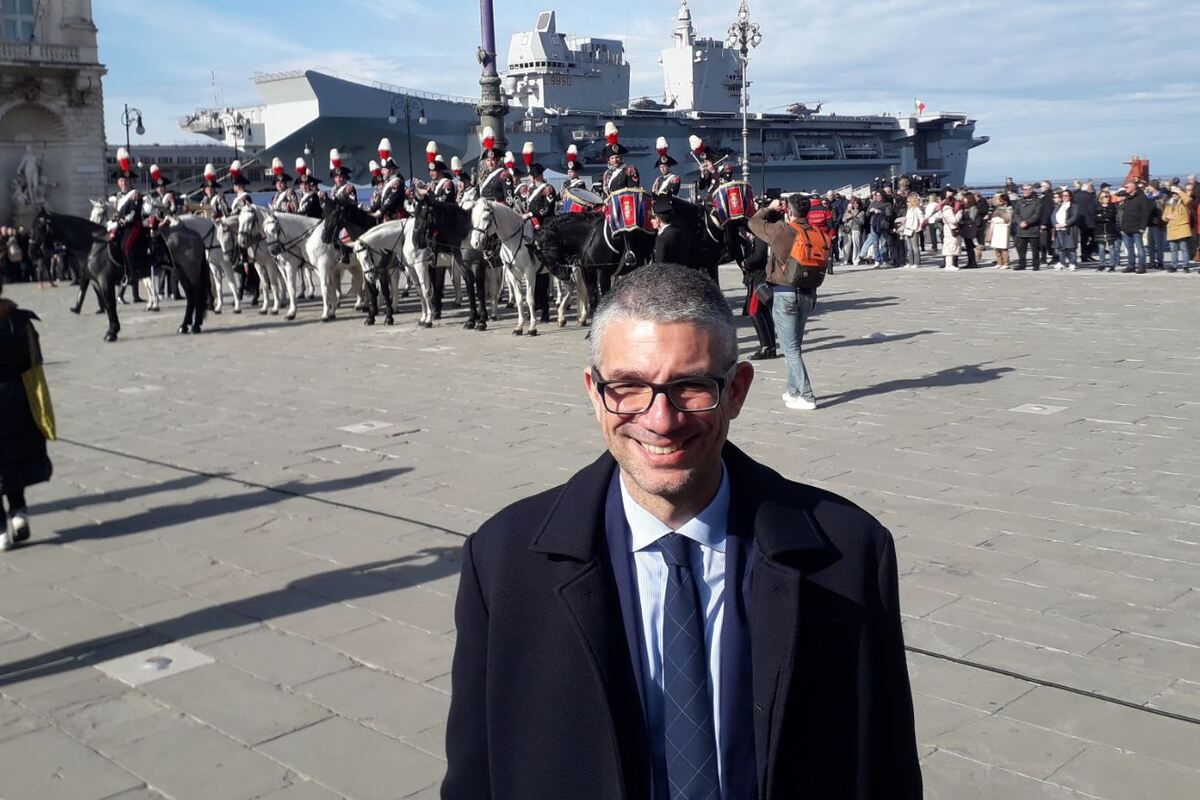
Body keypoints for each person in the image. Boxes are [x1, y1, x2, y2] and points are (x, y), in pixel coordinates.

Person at [443, 264, 921, 799]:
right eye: (627, 387)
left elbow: (887, 764)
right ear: (594, 392)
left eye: (691, 387)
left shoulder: (848, 551)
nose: (661, 420)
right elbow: (475, 770)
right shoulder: (505, 560)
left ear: (737, 390)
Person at [749, 194, 821, 410]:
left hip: (785, 293)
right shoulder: (814, 230)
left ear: (788, 211)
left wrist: (769, 209)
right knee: (794, 346)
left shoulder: (783, 230)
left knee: (790, 349)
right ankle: (793, 390)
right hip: (809, 293)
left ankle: (807, 395)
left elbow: (753, 223)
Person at [0, 282, 53, 551]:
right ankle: (19, 511)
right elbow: (36, 362)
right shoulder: (20, 321)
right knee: (15, 458)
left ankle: (1, 531)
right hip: (18, 398)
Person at [1116, 180, 1151, 273]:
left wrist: (1142, 227)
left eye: (1127, 187)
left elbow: (1145, 213)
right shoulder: (1127, 198)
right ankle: (1131, 265)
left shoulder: (1142, 197)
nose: (1125, 188)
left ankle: (1142, 266)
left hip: (1137, 228)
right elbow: (1124, 213)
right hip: (1127, 227)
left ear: (1133, 187)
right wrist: (1122, 227)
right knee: (1129, 248)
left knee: (1140, 247)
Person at [601, 122, 638, 195]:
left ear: (621, 157)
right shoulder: (607, 174)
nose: (615, 160)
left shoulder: (630, 170)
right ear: (609, 160)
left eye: (617, 157)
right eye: (612, 158)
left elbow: (633, 192)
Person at [651, 196, 689, 268]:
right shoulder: (680, 233)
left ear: (658, 220)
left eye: (653, 218)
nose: (651, 221)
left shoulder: (661, 239)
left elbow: (659, 265)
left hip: (667, 276)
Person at [1163, 184, 1193, 272]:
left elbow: (1188, 200)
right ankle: (1174, 266)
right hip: (1172, 228)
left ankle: (1185, 265)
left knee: (1184, 248)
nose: (1174, 195)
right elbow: (1163, 216)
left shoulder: (1184, 202)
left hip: (1182, 228)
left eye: (1175, 194)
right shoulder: (1169, 203)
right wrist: (1167, 217)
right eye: (1173, 194)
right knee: (1173, 249)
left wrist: (1179, 191)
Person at [1012, 184, 1042, 271]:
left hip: (1033, 229)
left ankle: (1036, 265)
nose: (1024, 191)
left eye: (1026, 189)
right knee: (1021, 249)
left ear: (1031, 190)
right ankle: (1022, 264)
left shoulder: (1037, 201)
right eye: (1023, 190)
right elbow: (1016, 213)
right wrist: (1020, 222)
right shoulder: (1020, 201)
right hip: (1021, 229)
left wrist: (1027, 222)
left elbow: (1037, 215)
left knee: (1035, 249)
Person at [1053, 188, 1080, 270]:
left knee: (1070, 247)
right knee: (1061, 247)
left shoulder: (1074, 206)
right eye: (1063, 195)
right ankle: (1062, 262)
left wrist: (1065, 223)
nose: (1064, 197)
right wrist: (1055, 224)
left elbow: (1074, 217)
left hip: (1069, 229)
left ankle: (1072, 263)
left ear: (1070, 196)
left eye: (1066, 195)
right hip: (1059, 229)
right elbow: (1053, 215)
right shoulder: (1059, 205)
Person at [1094, 189, 1119, 272]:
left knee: (1112, 248)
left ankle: (1112, 265)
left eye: (1108, 197)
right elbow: (1095, 218)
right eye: (1105, 197)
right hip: (1100, 230)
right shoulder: (1097, 207)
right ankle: (1102, 264)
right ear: (1101, 198)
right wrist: (1103, 217)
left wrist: (1103, 217)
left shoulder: (1112, 206)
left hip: (1110, 229)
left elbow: (1111, 216)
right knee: (1101, 248)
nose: (1107, 198)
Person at [1144, 181, 1168, 270]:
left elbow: (1165, 208)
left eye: (1149, 186)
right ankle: (1152, 261)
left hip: (1159, 223)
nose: (1148, 188)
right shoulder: (1148, 196)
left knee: (1159, 244)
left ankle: (1160, 262)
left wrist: (1161, 219)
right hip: (1150, 223)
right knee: (1150, 244)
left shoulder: (1163, 196)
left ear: (1154, 187)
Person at [938, 191, 963, 270]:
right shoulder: (948, 209)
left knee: (951, 245)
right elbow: (954, 220)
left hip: (949, 229)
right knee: (951, 246)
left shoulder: (945, 209)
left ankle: (949, 264)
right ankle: (949, 264)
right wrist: (959, 213)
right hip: (951, 229)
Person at [987, 193, 1013, 269]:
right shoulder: (997, 208)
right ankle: (999, 262)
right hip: (996, 228)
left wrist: (997, 219)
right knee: (996, 246)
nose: (998, 201)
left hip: (1003, 228)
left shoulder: (1009, 208)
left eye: (1000, 200)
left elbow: (1008, 219)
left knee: (1003, 246)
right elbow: (993, 217)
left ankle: (1005, 263)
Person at [1075, 180, 1097, 261]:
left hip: (1080, 220)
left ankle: (1084, 255)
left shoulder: (1076, 195)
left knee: (1083, 239)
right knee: (1095, 238)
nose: (1092, 189)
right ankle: (1087, 253)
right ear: (1088, 188)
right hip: (1090, 221)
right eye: (1091, 187)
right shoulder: (1089, 197)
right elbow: (1093, 210)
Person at [901, 193, 924, 267]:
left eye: (908, 201)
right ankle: (910, 262)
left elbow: (921, 218)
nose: (907, 203)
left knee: (915, 247)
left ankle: (916, 262)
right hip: (907, 229)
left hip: (914, 229)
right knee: (909, 247)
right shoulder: (909, 210)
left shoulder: (916, 209)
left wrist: (919, 227)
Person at [842, 196, 865, 264]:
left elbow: (861, 222)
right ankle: (845, 260)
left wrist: (853, 217)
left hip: (856, 229)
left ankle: (855, 260)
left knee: (856, 245)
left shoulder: (861, 212)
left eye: (857, 203)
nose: (855, 205)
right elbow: (843, 220)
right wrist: (846, 217)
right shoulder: (848, 211)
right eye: (854, 203)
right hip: (848, 229)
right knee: (846, 245)